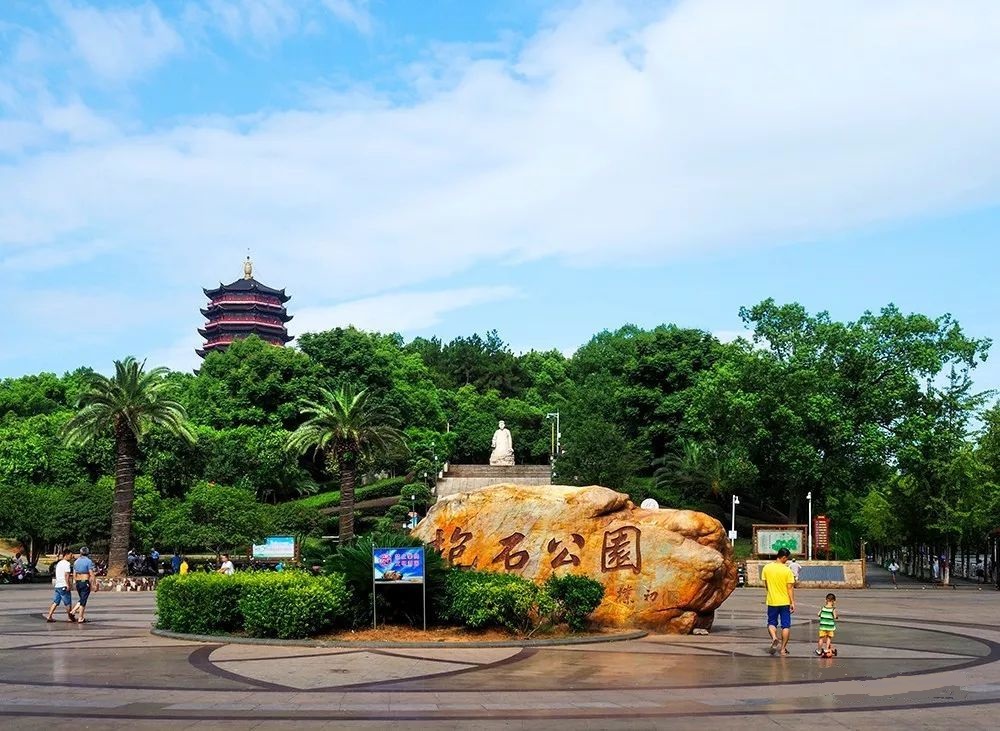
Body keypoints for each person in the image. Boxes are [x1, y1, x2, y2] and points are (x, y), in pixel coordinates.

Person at [762, 547, 796, 655]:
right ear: (784, 557)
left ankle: (774, 637)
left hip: (772, 601)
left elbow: (766, 585)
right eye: (787, 558)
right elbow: (789, 588)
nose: (787, 560)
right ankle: (782, 649)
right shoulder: (787, 570)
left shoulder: (767, 568)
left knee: (771, 622)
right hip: (784, 601)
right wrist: (792, 602)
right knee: (786, 625)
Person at [45, 550, 76, 623]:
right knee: (68, 602)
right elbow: (66, 575)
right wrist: (68, 584)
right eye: (71, 555)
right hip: (63, 585)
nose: (72, 556)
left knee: (55, 602)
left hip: (58, 585)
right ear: (66, 555)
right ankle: (70, 617)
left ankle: (49, 616)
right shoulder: (67, 564)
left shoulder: (59, 563)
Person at [71, 546, 97, 623]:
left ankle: (75, 612)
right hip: (85, 581)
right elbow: (91, 573)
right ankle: (79, 616)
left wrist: (75, 581)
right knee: (83, 600)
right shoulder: (88, 561)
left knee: (82, 598)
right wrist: (94, 583)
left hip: (78, 582)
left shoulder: (76, 561)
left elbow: (74, 574)